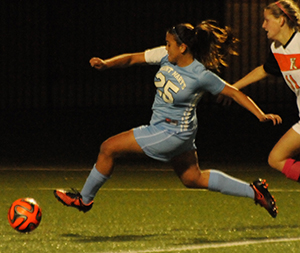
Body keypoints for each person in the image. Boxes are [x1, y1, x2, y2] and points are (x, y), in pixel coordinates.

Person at [54, 20, 282, 218]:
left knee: (108, 147)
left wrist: (260, 115)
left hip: (170, 133)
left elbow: (234, 92)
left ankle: (84, 200)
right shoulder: (166, 56)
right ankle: (255, 192)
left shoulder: (200, 74)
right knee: (193, 178)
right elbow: (134, 58)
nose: (165, 47)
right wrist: (107, 63)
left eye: (169, 44)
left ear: (182, 47)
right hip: (178, 132)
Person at [219, 0, 300, 184]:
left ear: (281, 21)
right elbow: (263, 70)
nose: (263, 25)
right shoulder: (277, 49)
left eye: (266, 20)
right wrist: (233, 89)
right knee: (276, 158)